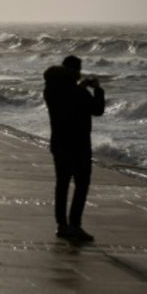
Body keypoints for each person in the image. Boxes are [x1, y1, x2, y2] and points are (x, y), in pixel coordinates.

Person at [43, 55, 105, 242]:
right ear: (76, 71)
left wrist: (81, 87)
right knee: (81, 184)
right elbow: (98, 110)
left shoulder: (50, 90)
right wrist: (98, 89)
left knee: (62, 184)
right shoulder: (78, 94)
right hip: (79, 145)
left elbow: (69, 99)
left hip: (59, 143)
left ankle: (62, 225)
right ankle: (75, 225)